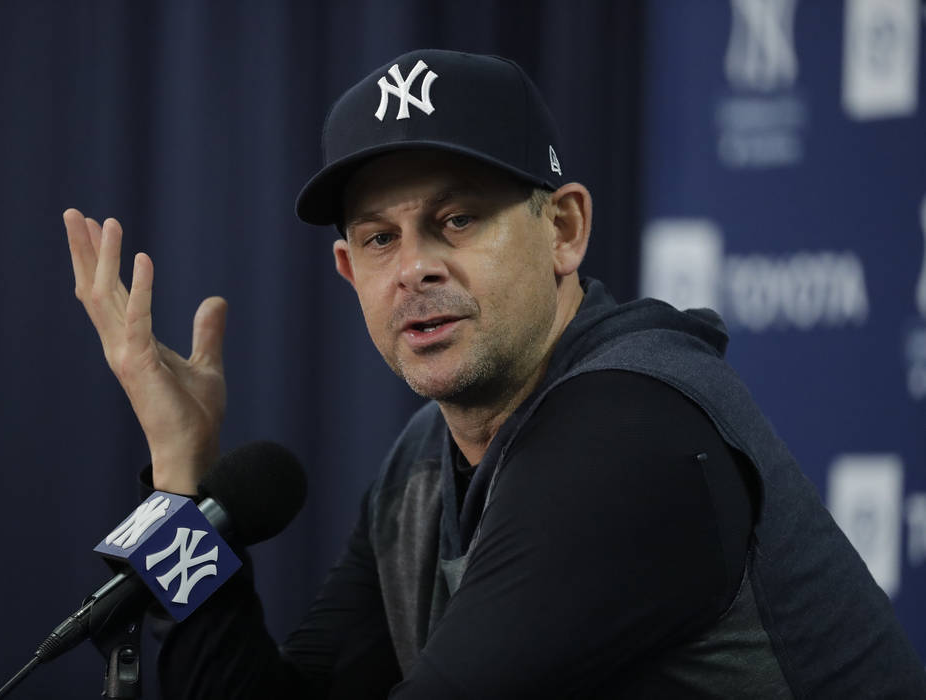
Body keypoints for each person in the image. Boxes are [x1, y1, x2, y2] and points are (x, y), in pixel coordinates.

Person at [64, 49, 926, 698]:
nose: (415, 268)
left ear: (564, 229)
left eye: (458, 218)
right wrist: (180, 479)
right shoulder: (421, 469)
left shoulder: (631, 440)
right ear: (347, 273)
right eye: (379, 238)